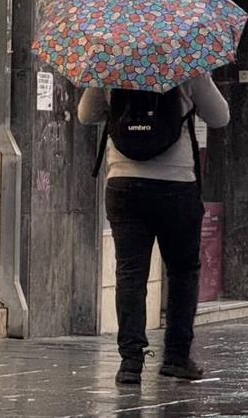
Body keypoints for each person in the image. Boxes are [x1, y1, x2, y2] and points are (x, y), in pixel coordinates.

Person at [78, 74, 229, 386]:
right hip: (176, 184)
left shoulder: (113, 64)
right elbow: (220, 116)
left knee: (130, 273)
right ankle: (176, 357)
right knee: (183, 272)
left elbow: (85, 115)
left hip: (123, 182)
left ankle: (130, 362)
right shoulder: (187, 66)